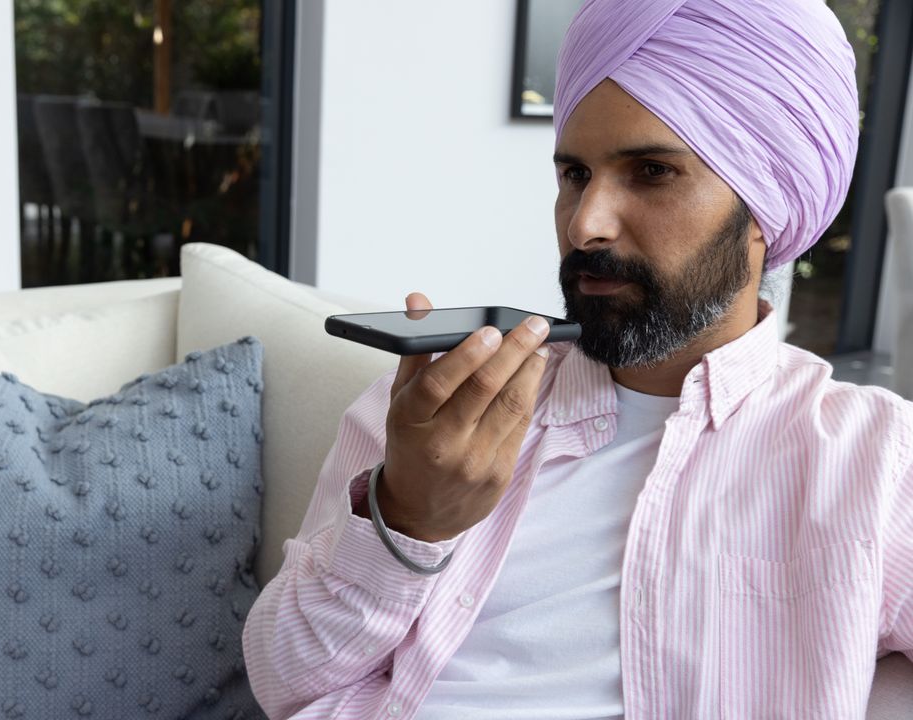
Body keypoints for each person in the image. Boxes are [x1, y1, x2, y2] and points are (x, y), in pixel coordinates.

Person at [242, 0, 913, 717]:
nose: (585, 223)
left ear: (763, 209)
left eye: (651, 171)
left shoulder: (875, 461)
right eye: (575, 175)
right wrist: (408, 518)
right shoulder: (428, 414)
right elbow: (283, 684)